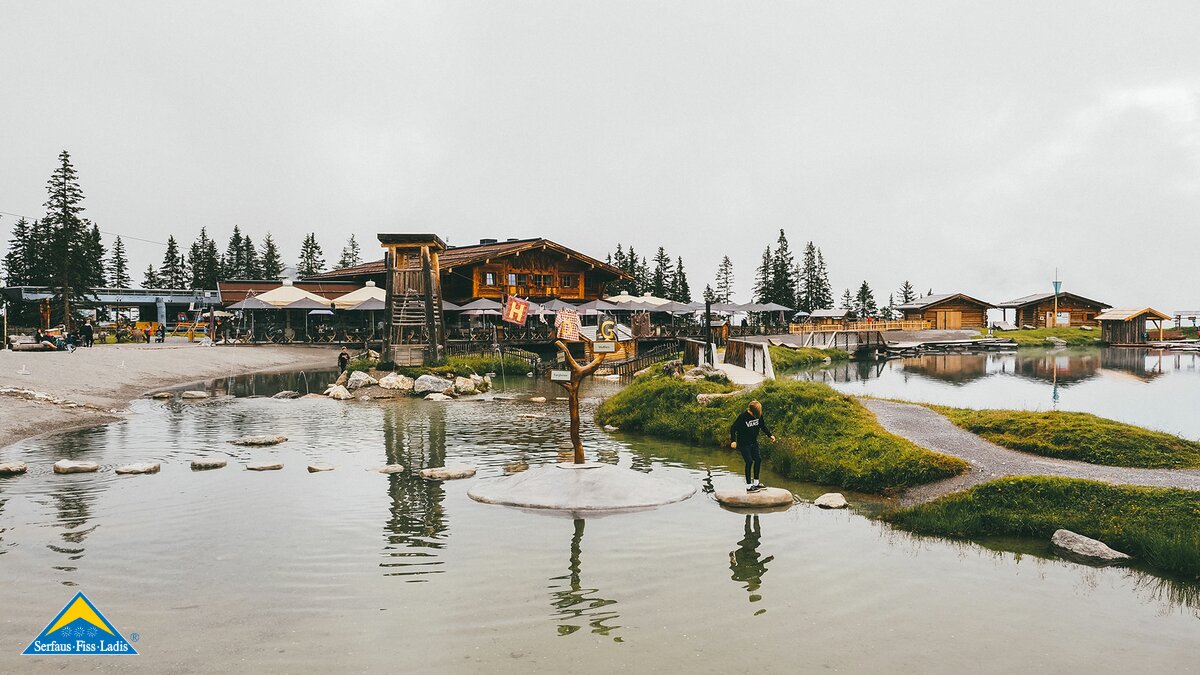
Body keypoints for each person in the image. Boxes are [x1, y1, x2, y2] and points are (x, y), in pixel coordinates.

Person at [730, 400, 775, 492]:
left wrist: (770, 435)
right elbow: (733, 428)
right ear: (751, 410)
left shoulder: (758, 415)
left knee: (758, 459)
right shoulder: (743, 417)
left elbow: (762, 426)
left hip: (753, 442)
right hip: (744, 443)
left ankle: (756, 483)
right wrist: (733, 441)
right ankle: (749, 486)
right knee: (749, 462)